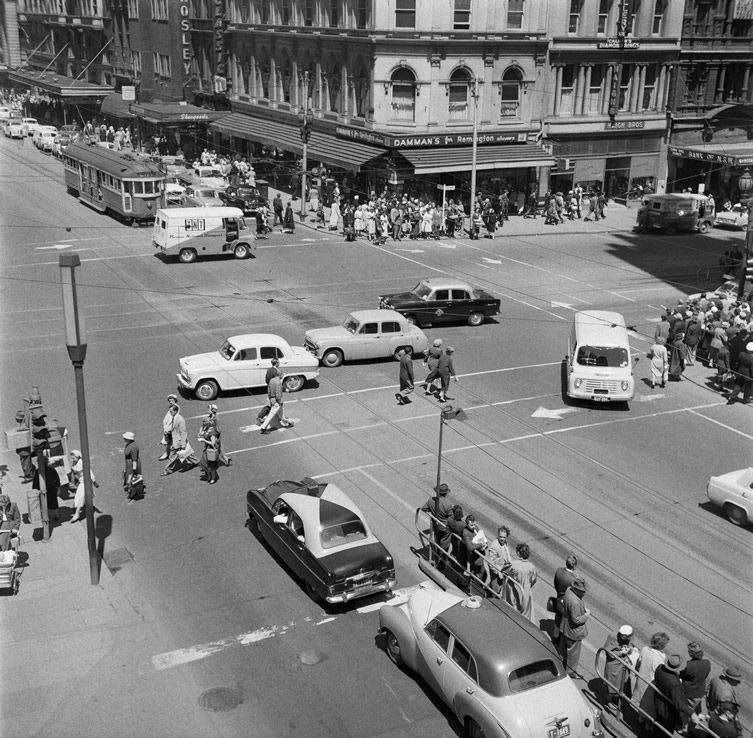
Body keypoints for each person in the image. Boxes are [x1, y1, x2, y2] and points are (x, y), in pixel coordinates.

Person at [602, 625, 639, 713]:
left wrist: (630, 649)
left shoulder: (630, 636)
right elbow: (608, 652)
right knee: (611, 682)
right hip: (613, 664)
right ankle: (609, 700)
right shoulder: (612, 636)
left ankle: (616, 698)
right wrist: (621, 652)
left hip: (623, 664)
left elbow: (631, 644)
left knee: (621, 682)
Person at [654, 653, 693, 736]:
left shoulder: (659, 668)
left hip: (658, 702)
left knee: (657, 726)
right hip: (668, 712)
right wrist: (691, 713)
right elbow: (678, 702)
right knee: (666, 732)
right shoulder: (674, 682)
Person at [558, 576, 589, 676]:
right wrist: (586, 615)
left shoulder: (568, 591)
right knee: (573, 654)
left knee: (563, 649)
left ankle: (560, 665)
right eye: (582, 591)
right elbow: (576, 620)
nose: (584, 593)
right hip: (573, 632)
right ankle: (570, 672)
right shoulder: (575, 602)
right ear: (576, 590)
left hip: (565, 626)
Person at [633, 631, 670, 707]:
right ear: (662, 646)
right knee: (646, 703)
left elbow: (638, 663)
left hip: (640, 679)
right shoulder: (660, 658)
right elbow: (659, 675)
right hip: (649, 685)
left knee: (637, 698)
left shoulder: (645, 649)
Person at [161, 405, 197, 474]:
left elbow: (183, 432)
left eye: (171, 411)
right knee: (186, 453)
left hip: (178, 441)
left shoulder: (180, 419)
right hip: (175, 440)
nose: (169, 412)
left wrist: (183, 443)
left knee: (172, 456)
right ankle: (195, 461)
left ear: (175, 411)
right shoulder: (174, 417)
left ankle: (167, 469)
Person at [506, 542, 537, 621]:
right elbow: (533, 580)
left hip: (514, 591)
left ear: (518, 553)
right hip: (526, 592)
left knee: (513, 612)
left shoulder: (513, 565)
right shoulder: (532, 567)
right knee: (525, 615)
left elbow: (505, 572)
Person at [553, 554, 578, 643]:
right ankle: (563, 640)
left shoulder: (559, 571)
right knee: (566, 621)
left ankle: (555, 636)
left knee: (558, 617)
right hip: (567, 602)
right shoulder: (573, 579)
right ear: (574, 566)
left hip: (559, 597)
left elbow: (555, 584)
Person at [69, 449, 99, 523]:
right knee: (85, 496)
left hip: (86, 482)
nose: (73, 459)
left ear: (78, 456)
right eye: (72, 457)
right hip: (81, 482)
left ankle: (77, 514)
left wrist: (95, 483)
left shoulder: (82, 463)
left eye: (74, 457)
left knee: (80, 497)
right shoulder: (74, 463)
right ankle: (90, 507)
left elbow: (89, 472)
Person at [421, 483, 453, 552]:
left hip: (435, 524)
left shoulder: (431, 500)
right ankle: (442, 556)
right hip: (444, 527)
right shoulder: (448, 504)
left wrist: (432, 510)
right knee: (445, 543)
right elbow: (451, 518)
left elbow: (424, 509)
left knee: (437, 539)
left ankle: (437, 553)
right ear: (446, 494)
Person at [681, 641, 711, 711]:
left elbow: (681, 676)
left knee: (687, 710)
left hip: (689, 693)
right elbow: (706, 675)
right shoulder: (707, 663)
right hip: (700, 692)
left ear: (690, 653)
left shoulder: (688, 665)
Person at [462, 515, 489, 581]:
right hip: (475, 559)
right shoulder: (466, 533)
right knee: (478, 575)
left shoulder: (475, 528)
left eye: (474, 524)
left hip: (480, 556)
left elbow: (481, 536)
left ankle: (471, 586)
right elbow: (470, 547)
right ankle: (472, 588)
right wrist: (481, 544)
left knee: (482, 575)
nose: (474, 527)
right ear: (467, 524)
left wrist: (485, 542)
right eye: (472, 525)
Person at [32, 459, 61, 523]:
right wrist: (58, 488)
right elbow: (57, 480)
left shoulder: (38, 471)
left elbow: (35, 483)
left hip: (45, 490)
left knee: (44, 503)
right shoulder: (52, 470)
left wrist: (35, 490)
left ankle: (47, 516)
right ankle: (56, 515)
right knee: (54, 503)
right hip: (52, 489)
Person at [486, 525, 512, 593]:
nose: (502, 539)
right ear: (498, 535)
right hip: (497, 572)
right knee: (495, 590)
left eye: (504, 537)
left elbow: (506, 552)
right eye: (500, 537)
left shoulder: (504, 543)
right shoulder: (494, 546)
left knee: (499, 588)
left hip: (504, 569)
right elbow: (491, 563)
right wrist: (498, 572)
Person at [122, 431, 143, 504]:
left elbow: (134, 460)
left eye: (125, 438)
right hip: (128, 464)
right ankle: (131, 492)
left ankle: (132, 494)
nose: (124, 439)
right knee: (129, 479)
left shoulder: (133, 447)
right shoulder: (129, 445)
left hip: (132, 466)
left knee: (131, 480)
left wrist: (134, 470)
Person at [159, 394, 179, 461]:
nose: (170, 402)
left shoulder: (175, 408)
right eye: (169, 401)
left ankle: (189, 458)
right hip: (168, 429)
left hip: (171, 429)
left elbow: (173, 420)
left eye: (172, 400)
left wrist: (169, 429)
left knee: (173, 443)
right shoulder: (171, 407)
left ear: (175, 401)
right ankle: (166, 454)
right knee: (169, 443)